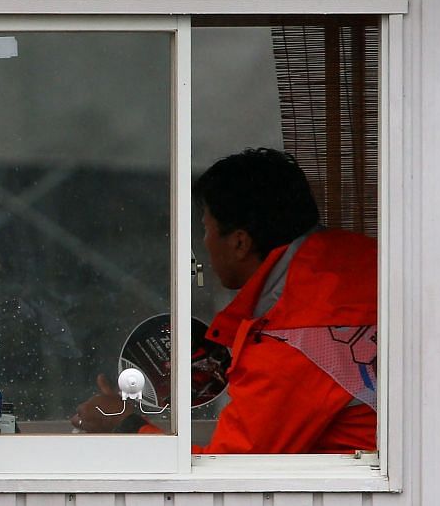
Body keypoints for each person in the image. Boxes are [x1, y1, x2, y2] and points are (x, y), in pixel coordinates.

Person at [73, 148, 376, 453]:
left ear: (240, 243)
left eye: (206, 229)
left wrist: (123, 425)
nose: (203, 244)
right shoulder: (364, 262)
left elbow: (228, 475)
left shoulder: (293, 338)